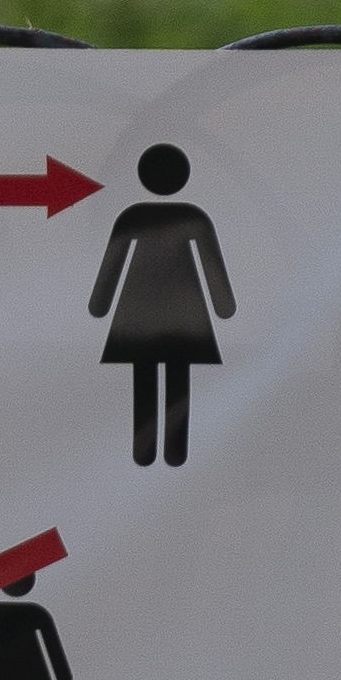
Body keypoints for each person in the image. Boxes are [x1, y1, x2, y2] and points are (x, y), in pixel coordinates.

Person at [88, 147, 234, 468]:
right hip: (184, 315)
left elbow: (112, 268)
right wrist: (224, 306)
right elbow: (212, 268)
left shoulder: (135, 217)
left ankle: (146, 450)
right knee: (177, 381)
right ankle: (174, 450)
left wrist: (99, 305)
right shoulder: (192, 217)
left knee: (145, 380)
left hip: (139, 314)